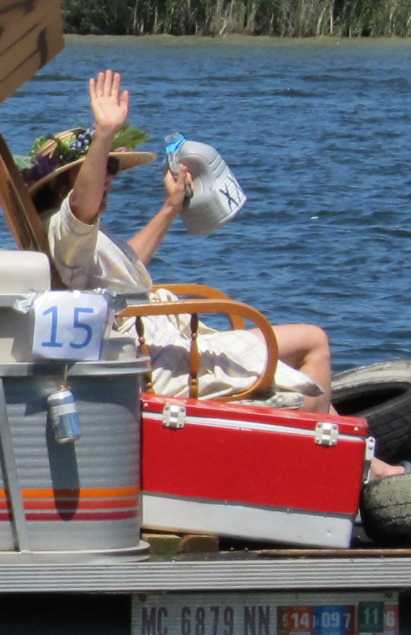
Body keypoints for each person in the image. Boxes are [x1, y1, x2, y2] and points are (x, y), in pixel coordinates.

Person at [33, 72, 376, 442]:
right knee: (314, 341)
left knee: (302, 370)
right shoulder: (65, 229)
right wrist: (104, 133)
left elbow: (126, 268)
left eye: (110, 171)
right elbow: (81, 206)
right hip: (159, 362)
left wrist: (170, 208)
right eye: (100, 171)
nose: (108, 181)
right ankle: (317, 460)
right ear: (62, 185)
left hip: (155, 345)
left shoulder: (71, 239)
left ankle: (369, 465)